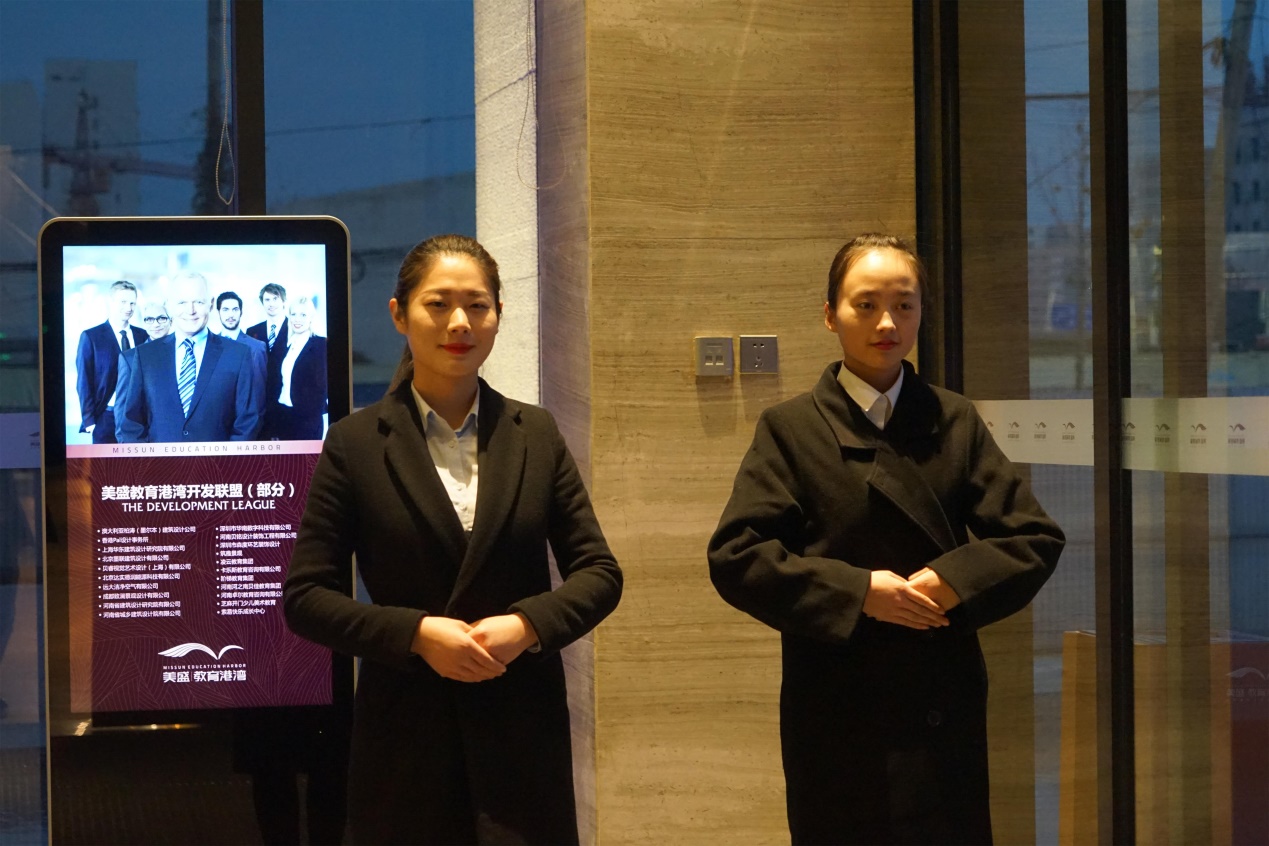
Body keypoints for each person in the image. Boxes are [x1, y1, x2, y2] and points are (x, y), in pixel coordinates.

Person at [707, 234, 1065, 845]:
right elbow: (737, 557)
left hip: (940, 700)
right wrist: (859, 594)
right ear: (830, 315)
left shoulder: (954, 419)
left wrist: (952, 582)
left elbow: (1033, 537)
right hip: (838, 703)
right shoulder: (791, 428)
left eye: (904, 305)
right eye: (866, 305)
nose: (887, 323)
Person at [283, 234, 622, 845]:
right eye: (438, 304)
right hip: (405, 732)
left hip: (520, 728)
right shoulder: (356, 443)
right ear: (399, 314)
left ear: (497, 316)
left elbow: (599, 573)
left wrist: (526, 625)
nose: (459, 322)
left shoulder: (535, 432)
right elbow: (306, 597)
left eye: (477, 305)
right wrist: (415, 634)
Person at [115, 271, 264, 443]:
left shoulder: (238, 354)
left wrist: (225, 459)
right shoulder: (145, 356)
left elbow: (247, 422)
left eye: (198, 302)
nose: (190, 310)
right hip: (159, 460)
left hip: (218, 460)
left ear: (211, 304)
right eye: (182, 302)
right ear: (169, 306)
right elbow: (132, 424)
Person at [74, 280, 149, 444]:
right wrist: (89, 421)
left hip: (138, 417)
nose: (128, 308)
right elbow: (84, 381)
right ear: (111, 302)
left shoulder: (142, 336)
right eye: (123, 302)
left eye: (132, 303)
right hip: (105, 417)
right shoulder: (91, 337)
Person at [265, 295, 326, 440]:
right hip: (283, 417)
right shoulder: (285, 345)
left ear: (311, 318)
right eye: (293, 314)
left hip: (307, 422)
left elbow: (322, 389)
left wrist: (309, 421)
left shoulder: (320, 345)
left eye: (303, 315)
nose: (297, 319)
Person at [215, 290, 268, 420]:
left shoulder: (256, 347)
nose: (231, 315)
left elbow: (259, 394)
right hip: (215, 422)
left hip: (244, 422)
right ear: (218, 312)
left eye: (235, 309)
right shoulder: (208, 345)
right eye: (225, 310)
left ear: (241, 312)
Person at [246, 282, 289, 355]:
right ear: (262, 303)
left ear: (284, 301)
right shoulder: (251, 332)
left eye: (275, 299)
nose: (271, 304)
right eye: (267, 300)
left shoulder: (295, 329)